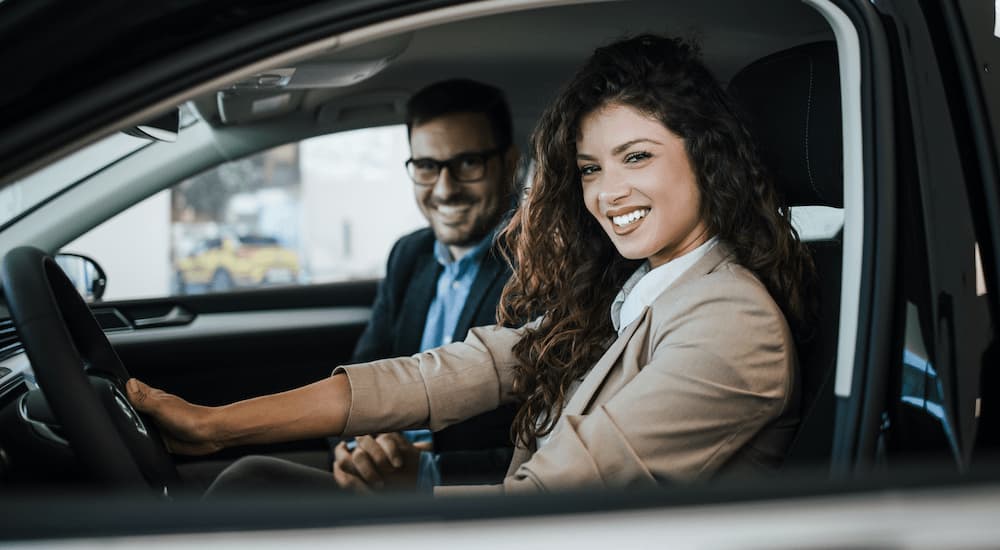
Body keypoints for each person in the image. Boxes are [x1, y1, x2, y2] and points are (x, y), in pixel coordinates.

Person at [126, 34, 814, 496]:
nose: (607, 194)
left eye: (637, 157)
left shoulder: (729, 323)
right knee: (249, 482)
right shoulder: (636, 289)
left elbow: (552, 508)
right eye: (589, 169)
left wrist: (417, 493)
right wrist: (214, 424)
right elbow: (453, 371)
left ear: (706, 156)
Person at [341, 79, 521, 489]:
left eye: (468, 163)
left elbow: (553, 447)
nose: (444, 189)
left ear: (509, 163)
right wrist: (355, 450)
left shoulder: (544, 266)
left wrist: (425, 475)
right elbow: (362, 374)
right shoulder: (409, 254)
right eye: (426, 166)